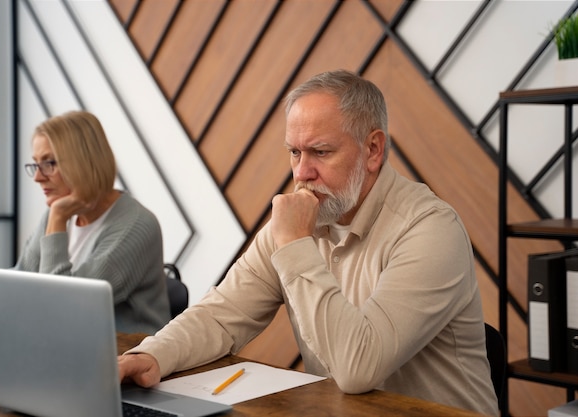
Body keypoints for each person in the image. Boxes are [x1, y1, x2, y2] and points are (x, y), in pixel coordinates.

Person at [117, 70, 498, 415]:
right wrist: (152, 354)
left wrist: (294, 243)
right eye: (294, 152)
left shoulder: (430, 228)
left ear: (373, 150)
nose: (302, 172)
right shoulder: (301, 220)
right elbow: (221, 314)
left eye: (320, 152)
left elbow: (356, 368)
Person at [0, 110, 171, 334]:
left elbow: (61, 309)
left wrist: (57, 217)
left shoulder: (136, 226)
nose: (37, 177)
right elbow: (24, 275)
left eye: (49, 163)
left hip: (128, 356)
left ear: (84, 163)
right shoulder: (58, 213)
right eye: (36, 164)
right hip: (68, 345)